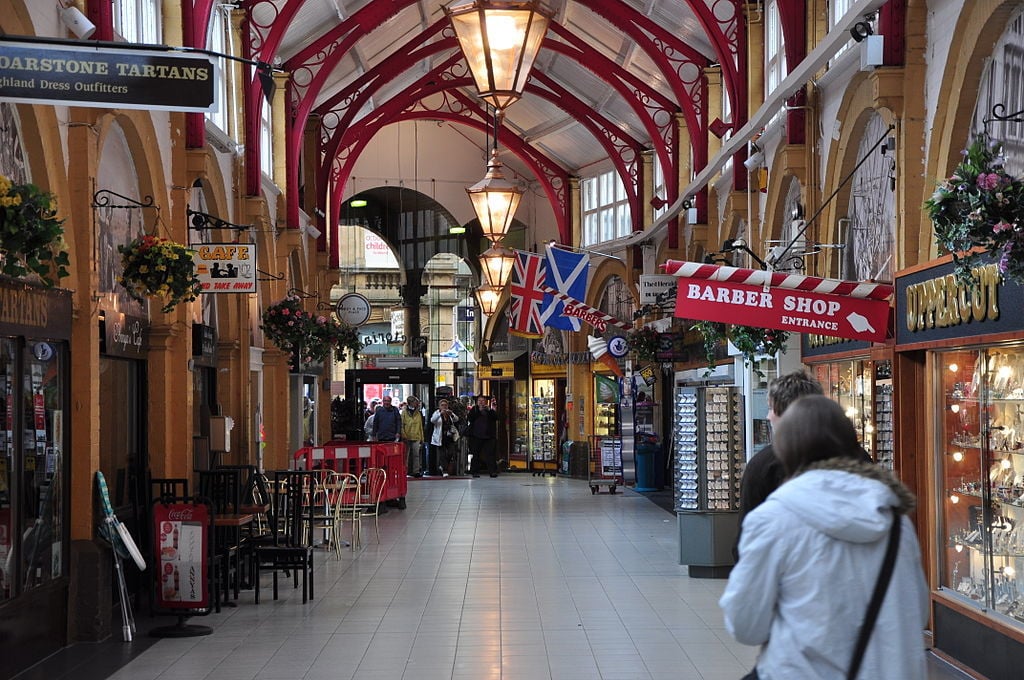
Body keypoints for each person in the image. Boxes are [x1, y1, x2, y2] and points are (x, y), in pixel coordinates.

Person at [719, 395, 928, 680]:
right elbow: (916, 611)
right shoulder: (894, 519)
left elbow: (746, 625)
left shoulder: (774, 519)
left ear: (786, 451)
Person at [738, 370, 823, 524]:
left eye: (771, 408)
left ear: (788, 412)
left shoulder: (763, 465)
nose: (768, 417)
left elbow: (747, 536)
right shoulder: (855, 456)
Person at [466, 394, 498, 477]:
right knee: (476, 454)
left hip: (488, 436)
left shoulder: (489, 410)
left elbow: (496, 418)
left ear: (485, 402)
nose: (481, 402)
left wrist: (491, 410)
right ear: (477, 402)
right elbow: (470, 418)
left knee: (490, 454)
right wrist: (479, 411)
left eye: (483, 400)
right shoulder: (474, 409)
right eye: (479, 401)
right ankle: (475, 471)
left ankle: (492, 471)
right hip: (476, 435)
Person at [430, 398, 460, 477]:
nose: (444, 407)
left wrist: (452, 414)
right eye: (442, 405)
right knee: (442, 454)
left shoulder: (450, 413)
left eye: (445, 405)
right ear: (439, 406)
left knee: (451, 452)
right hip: (441, 437)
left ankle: (442, 466)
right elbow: (432, 420)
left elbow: (457, 419)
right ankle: (445, 470)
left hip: (449, 437)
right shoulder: (436, 413)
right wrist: (440, 414)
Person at [401, 395, 426, 477]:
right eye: (416, 402)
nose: (417, 404)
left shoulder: (418, 413)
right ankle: (405, 470)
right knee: (406, 455)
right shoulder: (404, 412)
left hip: (416, 436)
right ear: (410, 403)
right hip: (407, 436)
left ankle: (416, 471)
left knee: (416, 455)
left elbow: (420, 426)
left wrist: (422, 438)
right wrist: (403, 435)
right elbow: (401, 425)